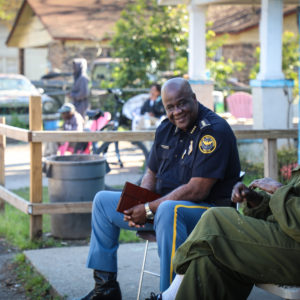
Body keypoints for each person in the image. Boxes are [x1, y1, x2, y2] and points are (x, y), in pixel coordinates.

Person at [77, 77, 241, 300]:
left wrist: (148, 208)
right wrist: (140, 202)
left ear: (194, 99)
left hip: (210, 213)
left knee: (168, 210)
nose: (177, 112)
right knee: (102, 202)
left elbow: (198, 190)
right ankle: (105, 290)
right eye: (170, 107)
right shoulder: (166, 128)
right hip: (164, 209)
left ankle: (171, 295)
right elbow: (151, 173)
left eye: (182, 103)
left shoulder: (213, 131)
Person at [146, 170, 300, 300]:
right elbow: (289, 216)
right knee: (208, 261)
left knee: (215, 220)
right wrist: (256, 200)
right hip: (287, 239)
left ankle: (168, 295)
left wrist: (280, 191)